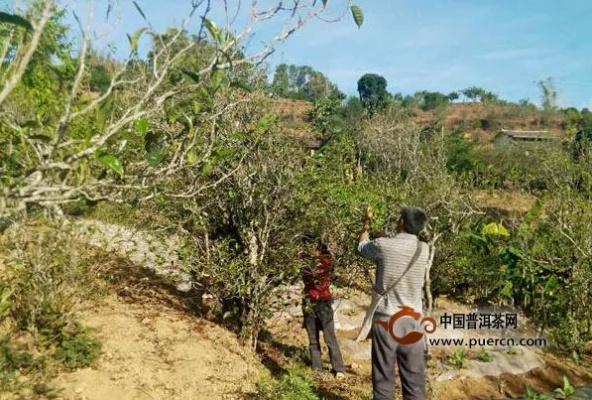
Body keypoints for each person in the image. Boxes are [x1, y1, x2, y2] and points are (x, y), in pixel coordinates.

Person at [357, 207, 430, 400]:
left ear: (402, 223)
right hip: (413, 323)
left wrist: (366, 224)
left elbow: (362, 247)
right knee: (414, 385)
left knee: (383, 381)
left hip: (386, 321)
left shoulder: (383, 245)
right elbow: (400, 246)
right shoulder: (424, 249)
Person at [299, 233, 346, 378]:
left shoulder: (326, 259)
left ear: (317, 246)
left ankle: (339, 369)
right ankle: (317, 368)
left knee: (330, 338)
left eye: (310, 245)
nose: (309, 249)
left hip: (323, 301)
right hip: (308, 301)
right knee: (313, 339)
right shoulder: (303, 259)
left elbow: (318, 275)